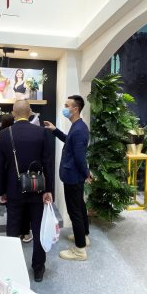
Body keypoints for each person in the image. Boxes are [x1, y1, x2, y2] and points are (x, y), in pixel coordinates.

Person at [0, 100, 54, 282]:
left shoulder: (4, 134)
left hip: (14, 189)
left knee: (12, 229)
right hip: (37, 188)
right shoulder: (42, 133)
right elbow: (48, 163)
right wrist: (49, 189)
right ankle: (38, 268)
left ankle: (12, 268)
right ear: (30, 113)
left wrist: (0, 191)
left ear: (13, 114)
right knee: (38, 229)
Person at [44, 95, 91, 262]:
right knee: (80, 205)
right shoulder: (77, 126)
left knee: (74, 211)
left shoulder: (79, 129)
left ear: (75, 109)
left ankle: (80, 250)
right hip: (74, 175)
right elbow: (69, 142)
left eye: (66, 105)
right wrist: (55, 130)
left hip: (73, 177)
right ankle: (84, 236)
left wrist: (86, 173)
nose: (64, 108)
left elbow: (79, 157)